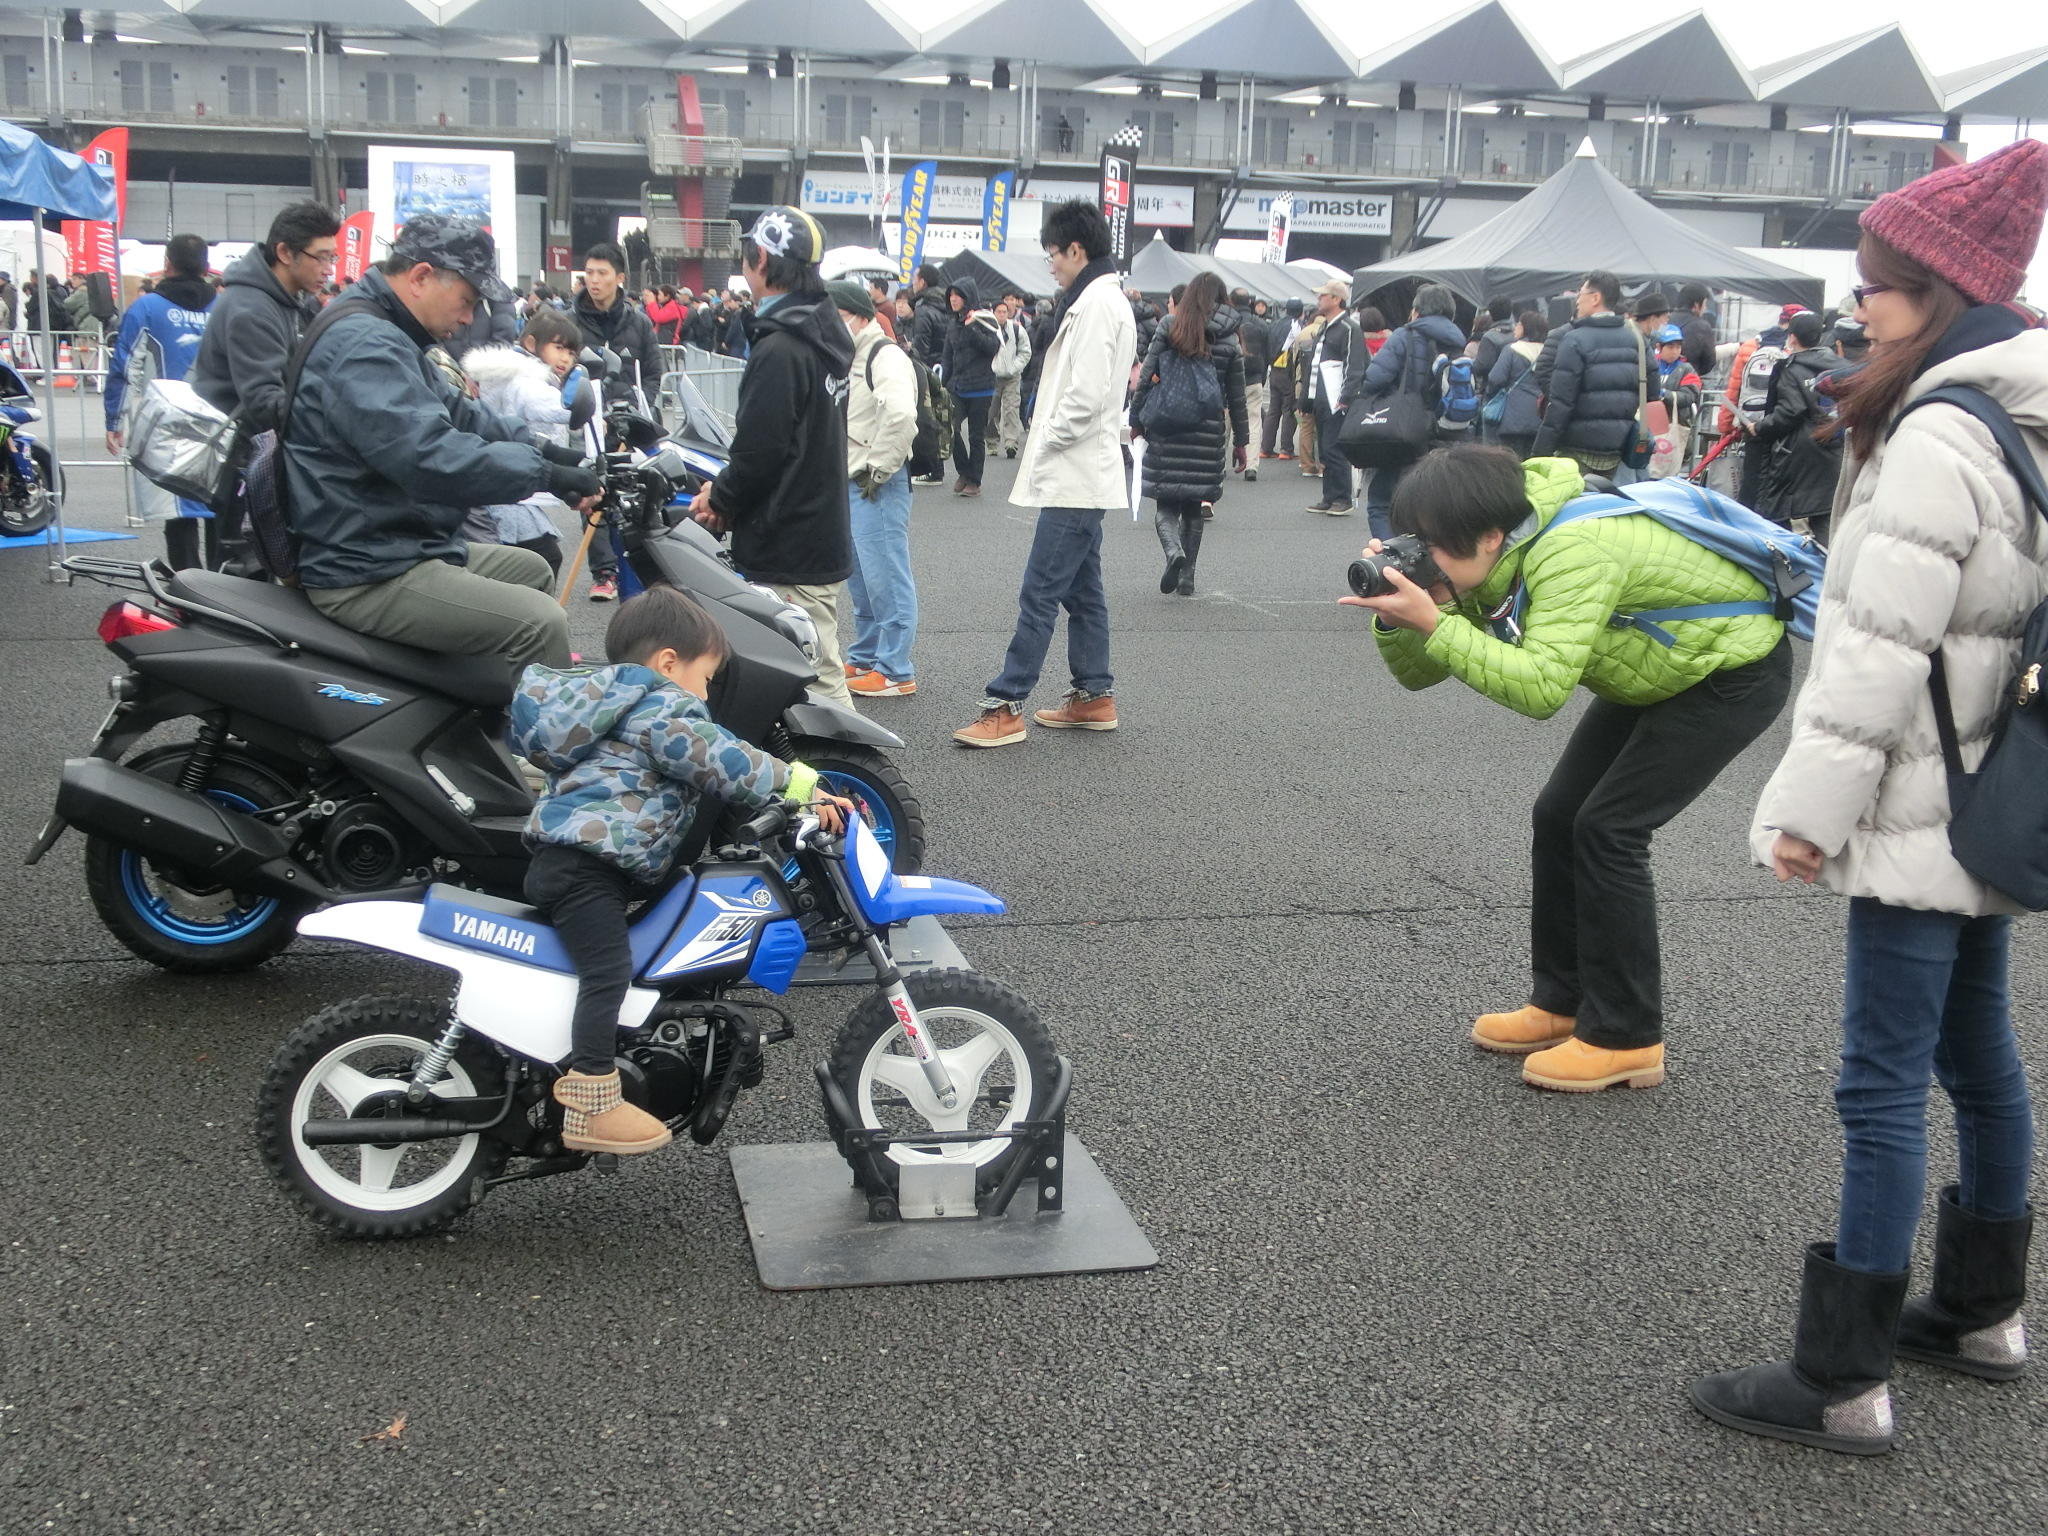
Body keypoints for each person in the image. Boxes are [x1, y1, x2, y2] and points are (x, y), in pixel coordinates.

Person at [1692, 138, 2048, 1458]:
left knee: (1881, 1080)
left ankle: (1842, 1381)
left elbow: (1877, 655)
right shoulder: (2026, 409)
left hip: (1916, 800)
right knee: (1982, 1059)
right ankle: (1982, 1314)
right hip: (2004, 790)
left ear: (1938, 293)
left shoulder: (1940, 432)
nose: (1861, 305)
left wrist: (1809, 811)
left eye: (1880, 284)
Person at [1345, 444, 1792, 1092]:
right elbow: (1419, 676)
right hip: (1655, 672)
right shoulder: (1488, 555)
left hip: (1729, 674)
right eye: (1416, 538)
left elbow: (1542, 689)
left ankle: (1627, 1037)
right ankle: (1561, 1003)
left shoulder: (1574, 549)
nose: (1423, 553)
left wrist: (1435, 622)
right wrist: (1404, 616)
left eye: (1434, 545)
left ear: (1492, 534)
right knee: (1559, 816)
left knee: (1610, 828)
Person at [512, 587, 849, 1156]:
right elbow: (721, 759)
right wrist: (802, 785)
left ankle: (674, 1015)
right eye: (708, 677)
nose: (707, 691)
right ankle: (592, 1098)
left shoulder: (618, 705)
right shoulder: (659, 706)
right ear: (669, 663)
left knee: (687, 902)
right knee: (607, 969)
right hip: (584, 871)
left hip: (597, 864)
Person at [289, 215, 593, 670]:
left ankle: (488, 709)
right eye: (467, 301)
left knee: (532, 570)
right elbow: (430, 457)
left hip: (392, 539)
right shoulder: (364, 343)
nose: (470, 318)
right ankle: (542, 740)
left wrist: (545, 449)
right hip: (364, 567)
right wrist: (543, 474)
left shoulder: (389, 329)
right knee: (541, 622)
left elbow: (458, 412)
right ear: (421, 277)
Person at [953, 199, 1132, 748]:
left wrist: (1046, 437)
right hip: (1081, 472)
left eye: (1054, 253)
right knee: (1082, 592)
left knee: (1040, 591)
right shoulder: (1100, 298)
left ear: (1076, 250)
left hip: (1075, 471)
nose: (1050, 263)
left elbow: (1088, 395)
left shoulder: (1098, 304)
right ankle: (1093, 694)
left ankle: (1006, 704)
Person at [688, 207, 858, 709]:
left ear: (759, 257)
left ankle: (849, 784)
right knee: (812, 668)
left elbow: (761, 451)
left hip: (790, 539)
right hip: (818, 525)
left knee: (813, 684)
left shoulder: (781, 347)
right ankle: (832, 780)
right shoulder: (822, 332)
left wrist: (719, 496)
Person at [105, 233, 218, 571]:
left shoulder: (146, 307)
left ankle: (188, 593)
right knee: (219, 509)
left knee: (178, 512)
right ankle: (227, 595)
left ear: (167, 265)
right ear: (207, 268)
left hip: (170, 423)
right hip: (221, 422)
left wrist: (115, 421)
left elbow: (126, 366)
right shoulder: (224, 305)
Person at [1131, 271, 1247, 598]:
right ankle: (1188, 578)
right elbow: (1236, 396)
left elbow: (1146, 376)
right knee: (1194, 505)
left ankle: (1173, 552)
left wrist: (1136, 418)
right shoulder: (1230, 337)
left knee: (1166, 503)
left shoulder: (1171, 326)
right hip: (1208, 430)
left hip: (1168, 425)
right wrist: (1241, 441)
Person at [831, 281, 920, 698]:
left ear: (857, 315)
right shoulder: (852, 354)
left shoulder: (883, 354)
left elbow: (902, 414)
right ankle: (867, 656)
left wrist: (878, 469)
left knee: (885, 575)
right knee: (863, 579)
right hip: (856, 479)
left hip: (875, 483)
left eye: (834, 316)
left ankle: (895, 669)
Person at [189, 200, 338, 433]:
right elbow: (265, 404)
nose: (329, 269)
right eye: (321, 257)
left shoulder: (278, 298)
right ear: (285, 253)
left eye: (332, 257)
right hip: (236, 452)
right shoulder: (252, 309)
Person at [459, 307, 583, 577]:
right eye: (559, 347)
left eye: (572, 353)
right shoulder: (526, 380)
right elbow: (557, 408)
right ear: (530, 344)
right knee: (542, 558)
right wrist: (585, 396)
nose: (566, 358)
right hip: (507, 487)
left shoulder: (506, 374)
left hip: (500, 479)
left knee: (515, 564)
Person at [574, 243, 661, 601]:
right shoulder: (571, 320)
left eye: (602, 273)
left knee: (637, 494)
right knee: (591, 491)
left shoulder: (638, 322)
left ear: (619, 278)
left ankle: (639, 567)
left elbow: (654, 373)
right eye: (589, 273)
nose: (594, 281)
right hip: (588, 423)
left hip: (629, 425)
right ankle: (604, 573)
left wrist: (642, 411)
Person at [1346, 282, 1466, 537]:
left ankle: (1393, 562)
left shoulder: (1405, 335)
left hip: (1402, 432)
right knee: (1428, 505)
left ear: (1417, 310)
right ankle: (1423, 561)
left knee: (1381, 503)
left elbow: (1375, 378)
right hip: (1441, 433)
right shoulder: (1457, 340)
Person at [1531, 269, 1648, 481]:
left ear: (1595, 298)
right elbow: (1652, 392)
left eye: (1580, 294)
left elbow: (1561, 403)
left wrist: (1540, 452)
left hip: (1576, 447)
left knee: (1571, 508)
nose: (1577, 300)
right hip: (1617, 447)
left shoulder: (1574, 339)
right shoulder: (1637, 339)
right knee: (1602, 508)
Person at [1745, 309, 1847, 534]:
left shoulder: (1792, 368)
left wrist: (1760, 427)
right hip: (1832, 446)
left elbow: (1790, 411)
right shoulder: (1839, 365)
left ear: (1792, 337)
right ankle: (1826, 565)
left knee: (1777, 514)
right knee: (1823, 517)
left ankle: (1784, 566)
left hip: (1796, 454)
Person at [1300, 281, 1360, 514]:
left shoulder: (1349, 328)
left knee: (1334, 448)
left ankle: (1342, 498)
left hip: (1336, 398)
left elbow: (1354, 365)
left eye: (1323, 295)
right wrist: (1306, 399)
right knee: (1324, 448)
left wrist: (1346, 396)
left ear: (1337, 299)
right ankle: (1329, 496)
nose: (1319, 299)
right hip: (1320, 397)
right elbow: (1313, 365)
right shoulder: (1326, 326)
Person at [941, 276, 1001, 496]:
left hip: (981, 387)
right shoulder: (952, 323)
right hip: (957, 387)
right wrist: (942, 385)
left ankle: (974, 481)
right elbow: (947, 357)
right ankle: (964, 471)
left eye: (958, 295)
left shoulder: (986, 319)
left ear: (968, 297)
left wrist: (972, 328)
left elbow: (992, 347)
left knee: (976, 436)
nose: (954, 299)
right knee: (950, 428)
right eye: (951, 295)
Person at [1487, 309, 1549, 460]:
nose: (1515, 327)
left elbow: (1495, 378)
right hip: (1541, 418)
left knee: (1511, 462)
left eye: (1519, 324)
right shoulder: (1549, 352)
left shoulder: (1512, 350)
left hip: (1512, 418)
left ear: (1526, 327)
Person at [990, 293, 1033, 459]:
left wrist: (1015, 367)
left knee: (1011, 409)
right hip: (993, 375)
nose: (1002, 314)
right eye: (999, 311)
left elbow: (1025, 351)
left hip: (1012, 375)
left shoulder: (1016, 329)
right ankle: (992, 442)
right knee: (992, 411)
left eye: (1004, 311)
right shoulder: (989, 329)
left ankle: (1011, 443)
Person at [1261, 298, 1302, 461]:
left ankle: (1266, 448)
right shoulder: (1296, 325)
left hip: (1274, 369)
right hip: (1287, 371)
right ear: (1301, 312)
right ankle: (1286, 449)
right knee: (1288, 409)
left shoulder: (1274, 324)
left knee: (1273, 409)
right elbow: (1298, 347)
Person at [1235, 292, 1270, 482]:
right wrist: (1262, 376)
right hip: (1254, 377)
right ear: (1250, 302)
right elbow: (1269, 353)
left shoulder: (1225, 320)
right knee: (1254, 421)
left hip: (1228, 378)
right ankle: (1251, 466)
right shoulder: (1261, 325)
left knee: (1224, 422)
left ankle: (1221, 463)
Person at [1471, 295, 1516, 438]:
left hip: (1492, 393)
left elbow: (1481, 366)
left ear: (1491, 314)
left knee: (1488, 436)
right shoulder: (1516, 334)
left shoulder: (1490, 337)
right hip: (1512, 391)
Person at [909, 264, 950, 370]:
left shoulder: (923, 309)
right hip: (944, 367)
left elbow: (920, 349)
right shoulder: (946, 303)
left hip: (929, 370)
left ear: (922, 282)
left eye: (914, 278)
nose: (912, 282)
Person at [1676, 282, 1719, 381]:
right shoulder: (1702, 326)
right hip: (1688, 381)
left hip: (1661, 382)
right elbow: (1709, 363)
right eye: (1704, 304)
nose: (1705, 308)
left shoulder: (1665, 321)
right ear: (1696, 305)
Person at [867, 275, 897, 341]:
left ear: (879, 289)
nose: (869, 291)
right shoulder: (872, 304)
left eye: (871, 288)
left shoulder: (889, 307)